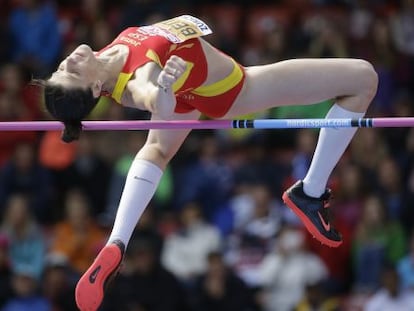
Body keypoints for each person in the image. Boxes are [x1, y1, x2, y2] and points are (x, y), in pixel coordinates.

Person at [39, 15, 378, 311]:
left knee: (157, 150)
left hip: (190, 93)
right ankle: (312, 190)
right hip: (235, 89)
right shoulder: (140, 75)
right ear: (96, 87)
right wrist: (163, 91)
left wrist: (167, 92)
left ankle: (118, 240)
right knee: (363, 78)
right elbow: (149, 95)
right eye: (71, 71)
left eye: (59, 68)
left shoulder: (102, 58)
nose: (67, 62)